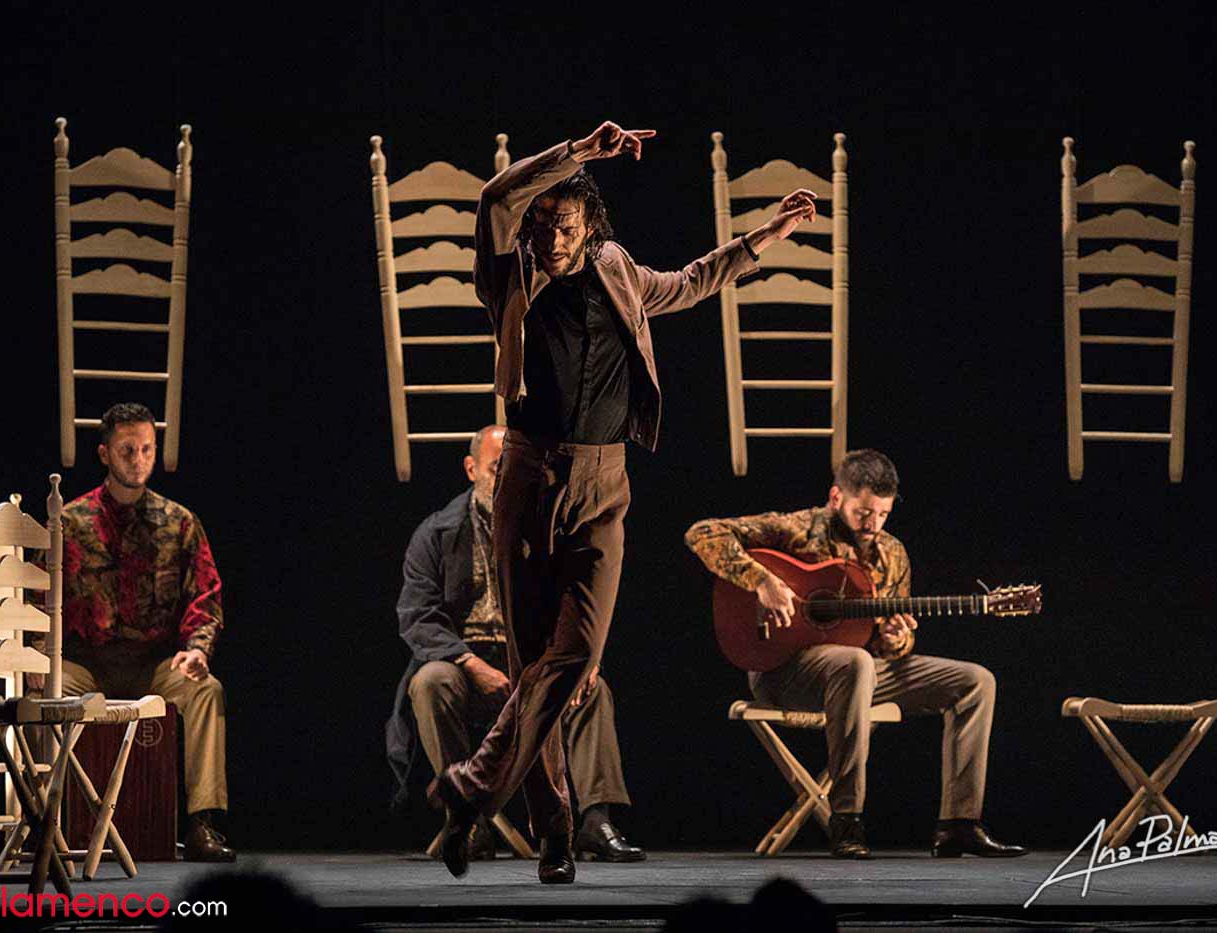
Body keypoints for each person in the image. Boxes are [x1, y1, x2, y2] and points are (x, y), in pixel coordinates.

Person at [428, 119, 818, 883]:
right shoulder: (509, 277)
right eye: (541, 225)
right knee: (533, 658)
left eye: (563, 224)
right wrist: (575, 151)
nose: (550, 237)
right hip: (529, 480)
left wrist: (765, 235)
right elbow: (495, 197)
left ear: (591, 225)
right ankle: (554, 831)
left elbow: (696, 279)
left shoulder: (618, 270)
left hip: (604, 487)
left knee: (574, 656)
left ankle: (472, 786)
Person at [684, 449, 1027, 859]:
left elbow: (889, 646)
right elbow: (702, 533)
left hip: (859, 673)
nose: (873, 524)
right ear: (836, 498)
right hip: (783, 670)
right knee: (856, 661)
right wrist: (763, 581)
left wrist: (896, 635)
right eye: (864, 513)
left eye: (882, 514)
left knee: (975, 681)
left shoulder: (892, 553)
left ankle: (959, 824)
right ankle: (846, 819)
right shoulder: (799, 529)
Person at [386, 424, 645, 862]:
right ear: (471, 469)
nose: (504, 479)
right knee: (431, 681)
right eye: (494, 469)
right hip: (468, 667)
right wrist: (469, 662)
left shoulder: (544, 521)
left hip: (536, 660)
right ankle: (467, 818)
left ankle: (596, 820)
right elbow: (416, 616)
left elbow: (579, 598)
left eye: (511, 469)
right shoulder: (437, 533)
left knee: (592, 688)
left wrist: (586, 657)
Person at [56, 402, 235, 862]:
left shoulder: (179, 522)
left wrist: (197, 649)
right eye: (127, 450)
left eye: (146, 449)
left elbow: (205, 595)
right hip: (88, 664)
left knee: (205, 690)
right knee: (44, 693)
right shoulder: (70, 523)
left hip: (153, 663)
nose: (138, 459)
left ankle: (202, 824)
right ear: (104, 454)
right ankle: (46, 821)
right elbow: (41, 600)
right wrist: (40, 659)